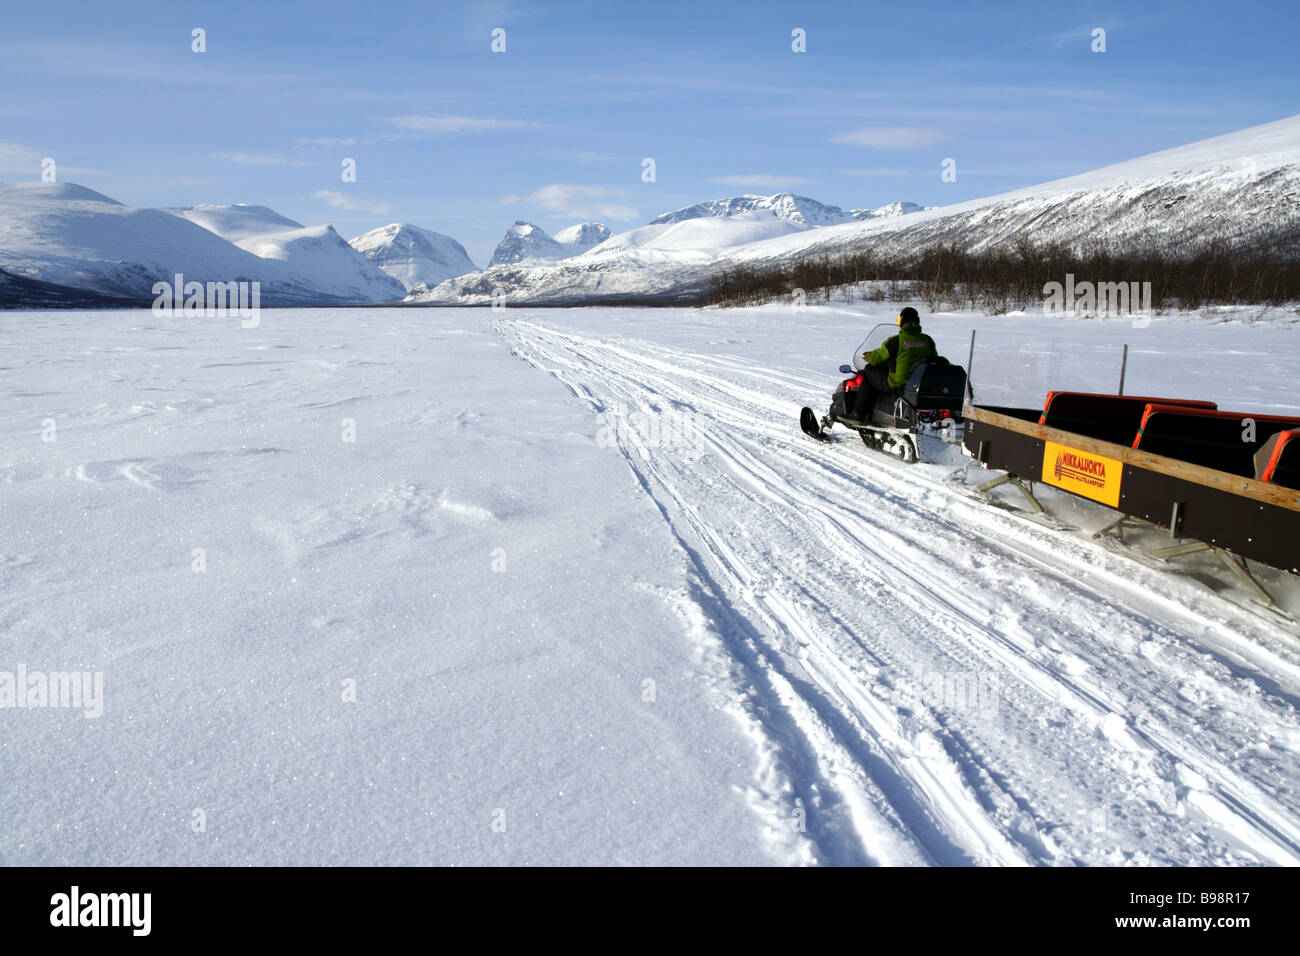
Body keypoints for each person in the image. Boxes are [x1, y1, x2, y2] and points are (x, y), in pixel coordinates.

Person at [852, 307, 937, 420]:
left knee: (868, 371)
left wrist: (867, 355)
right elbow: (934, 358)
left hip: (898, 384)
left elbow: (877, 358)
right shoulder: (928, 340)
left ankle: (859, 412)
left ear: (901, 321)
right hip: (919, 385)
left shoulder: (896, 341)